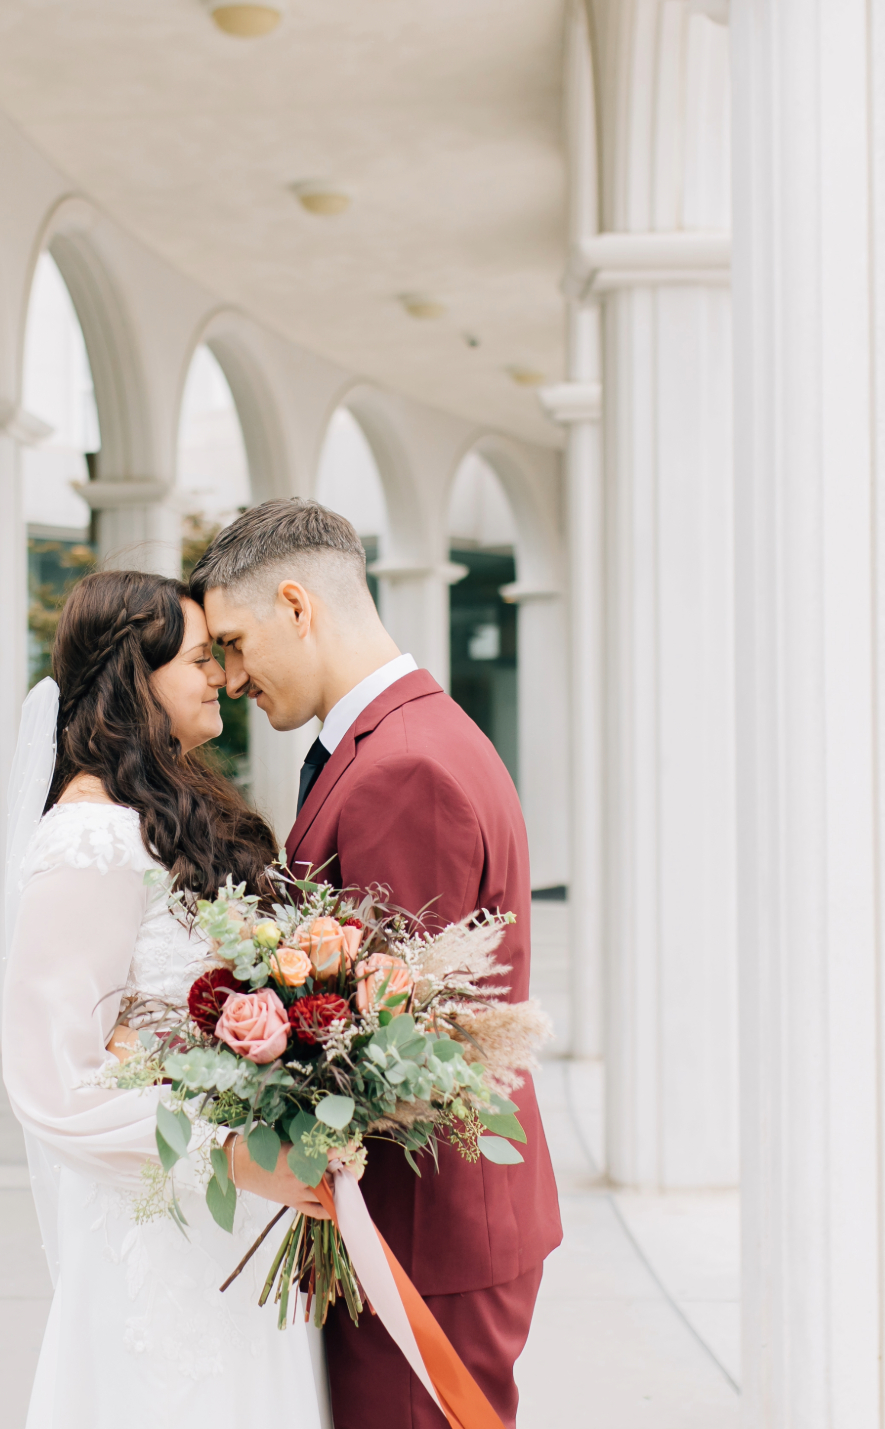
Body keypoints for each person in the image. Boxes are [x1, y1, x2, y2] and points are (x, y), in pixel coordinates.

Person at [191, 499, 562, 1429]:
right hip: (412, 1222)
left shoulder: (405, 766)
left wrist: (253, 1141)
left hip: (420, 1233)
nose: (231, 678)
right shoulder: (404, 737)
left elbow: (390, 1036)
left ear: (296, 604)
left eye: (234, 642)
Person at [1, 569, 330, 1429]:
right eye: (199, 658)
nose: (221, 675)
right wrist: (227, 1153)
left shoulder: (160, 813)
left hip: (221, 1225)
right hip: (159, 1233)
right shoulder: (85, 841)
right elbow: (52, 1080)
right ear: (133, 681)